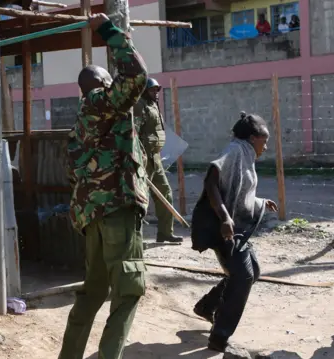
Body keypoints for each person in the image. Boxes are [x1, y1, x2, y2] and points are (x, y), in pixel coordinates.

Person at [59, 13, 149, 359]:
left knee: (93, 292)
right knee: (129, 290)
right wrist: (108, 31)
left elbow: (74, 175)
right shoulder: (103, 104)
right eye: (110, 79)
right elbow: (137, 75)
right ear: (100, 82)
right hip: (115, 214)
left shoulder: (79, 125)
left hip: (91, 217)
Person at [190, 112, 278, 352]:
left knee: (252, 271)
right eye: (265, 140)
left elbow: (241, 193)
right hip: (226, 227)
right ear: (252, 138)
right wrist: (225, 217)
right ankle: (219, 336)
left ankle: (207, 306)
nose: (266, 146)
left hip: (237, 226)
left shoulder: (246, 154)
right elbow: (211, 180)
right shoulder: (236, 150)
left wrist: (260, 201)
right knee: (243, 276)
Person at [134, 77, 183, 244]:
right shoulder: (139, 105)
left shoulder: (153, 105)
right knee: (140, 199)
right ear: (144, 91)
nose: (156, 93)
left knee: (165, 193)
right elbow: (134, 134)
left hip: (156, 158)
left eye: (157, 90)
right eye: (152, 90)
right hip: (144, 159)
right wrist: (139, 159)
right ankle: (136, 238)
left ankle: (165, 233)